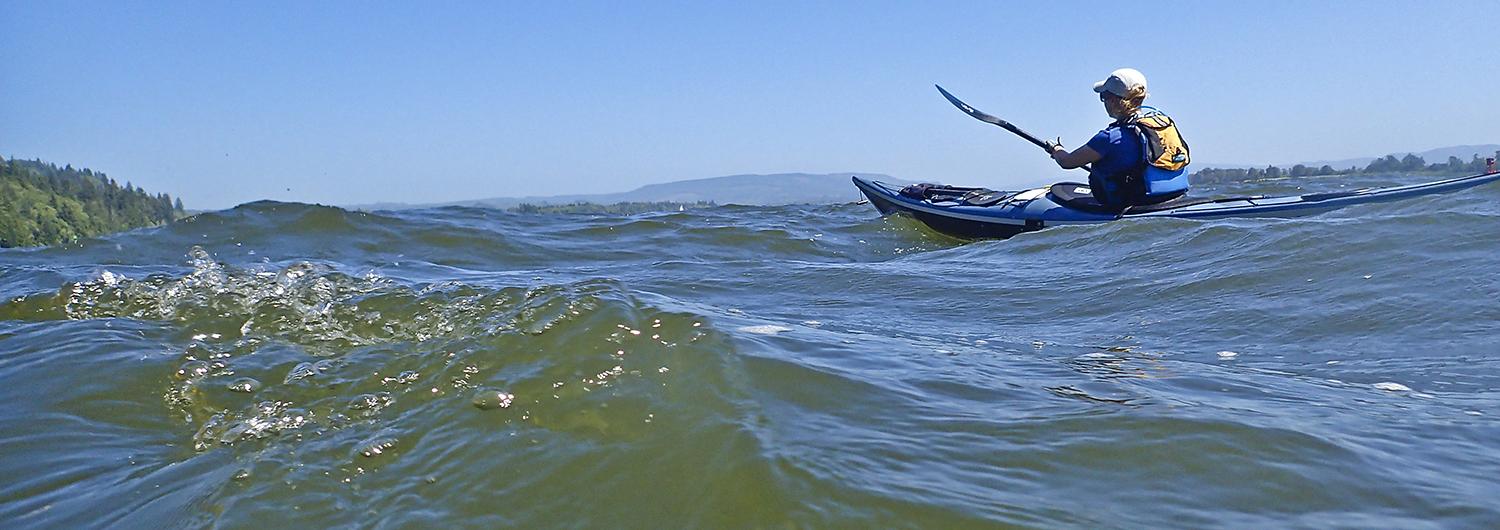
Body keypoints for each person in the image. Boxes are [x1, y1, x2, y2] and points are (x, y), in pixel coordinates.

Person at [1046, 68, 1191, 210]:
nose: (1103, 102)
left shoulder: (1109, 138)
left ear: (1113, 100)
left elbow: (1067, 162)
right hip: (1174, 195)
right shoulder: (1161, 125)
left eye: (1103, 97)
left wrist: (1056, 149)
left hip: (1136, 202)